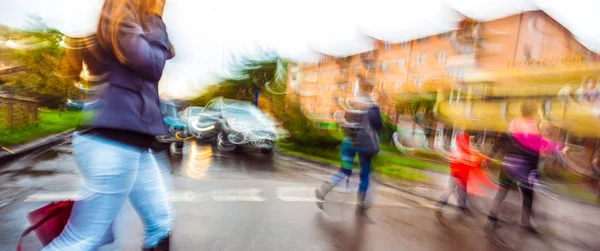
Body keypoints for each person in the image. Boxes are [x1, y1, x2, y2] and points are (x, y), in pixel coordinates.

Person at [44, 0, 175, 250]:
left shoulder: (134, 23)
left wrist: (153, 23)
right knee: (82, 239)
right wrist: (157, 19)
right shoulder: (119, 17)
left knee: (160, 222)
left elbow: (164, 53)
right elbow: (153, 64)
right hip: (112, 141)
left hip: (133, 143)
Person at [485, 101, 565, 234]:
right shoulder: (533, 125)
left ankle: (492, 218)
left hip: (508, 163)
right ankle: (525, 223)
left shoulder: (513, 123)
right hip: (523, 165)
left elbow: (500, 141)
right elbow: (534, 150)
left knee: (502, 192)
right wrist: (534, 171)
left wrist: (489, 157)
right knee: (528, 195)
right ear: (532, 112)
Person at [315, 94, 383, 213]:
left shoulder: (352, 109)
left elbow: (344, 124)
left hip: (348, 144)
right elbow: (378, 126)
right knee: (365, 173)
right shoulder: (373, 111)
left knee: (344, 170)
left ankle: (324, 190)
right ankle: (361, 201)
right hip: (365, 147)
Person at [435, 131, 488, 217]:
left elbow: (472, 163)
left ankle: (452, 206)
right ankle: (446, 205)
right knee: (457, 192)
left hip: (460, 176)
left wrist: (480, 162)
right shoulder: (462, 152)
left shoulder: (463, 152)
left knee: (457, 192)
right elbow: (462, 164)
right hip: (457, 176)